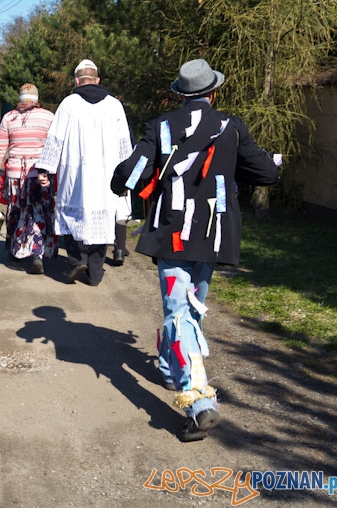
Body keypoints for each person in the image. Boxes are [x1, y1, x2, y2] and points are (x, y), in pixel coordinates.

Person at [111, 58, 279, 442]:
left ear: (181, 95)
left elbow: (132, 173)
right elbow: (266, 173)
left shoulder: (162, 125)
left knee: (178, 311)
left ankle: (200, 400)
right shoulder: (231, 127)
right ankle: (174, 370)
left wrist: (119, 181)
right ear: (213, 92)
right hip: (212, 236)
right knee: (191, 309)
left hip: (173, 234)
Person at [35, 59, 133, 285]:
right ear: (98, 80)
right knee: (103, 218)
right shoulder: (114, 105)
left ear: (76, 81)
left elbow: (55, 139)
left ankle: (78, 260)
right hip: (106, 175)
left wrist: (45, 170)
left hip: (75, 173)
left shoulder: (69, 104)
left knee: (72, 216)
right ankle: (95, 273)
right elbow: (124, 144)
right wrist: (126, 174)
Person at [0, 84, 56, 274]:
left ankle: (16, 249)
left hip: (16, 174)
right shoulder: (49, 117)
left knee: (17, 211)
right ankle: (38, 253)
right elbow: (55, 147)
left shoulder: (9, 118)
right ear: (36, 98)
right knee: (39, 212)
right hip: (40, 173)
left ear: (20, 98)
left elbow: (1, 148)